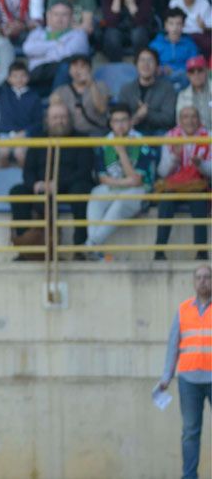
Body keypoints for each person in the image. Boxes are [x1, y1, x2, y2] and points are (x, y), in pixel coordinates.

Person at [9, 103, 95, 255]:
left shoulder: (82, 139)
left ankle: (80, 248)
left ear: (69, 119)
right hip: (43, 186)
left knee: (81, 190)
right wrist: (35, 184)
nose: (59, 121)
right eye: (55, 117)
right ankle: (25, 249)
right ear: (47, 120)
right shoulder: (38, 140)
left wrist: (57, 184)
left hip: (70, 185)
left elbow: (84, 171)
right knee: (18, 191)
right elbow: (28, 171)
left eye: (63, 117)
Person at [158, 265, 212, 479]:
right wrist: (166, 377)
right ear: (193, 282)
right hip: (189, 381)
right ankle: (189, 476)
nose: (203, 281)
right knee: (190, 432)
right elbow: (174, 345)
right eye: (198, 277)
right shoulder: (183, 309)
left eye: (207, 277)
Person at [85, 104, 156, 260]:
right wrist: (125, 183)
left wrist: (122, 152)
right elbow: (103, 177)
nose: (120, 124)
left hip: (140, 191)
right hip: (116, 186)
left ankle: (92, 244)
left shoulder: (141, 141)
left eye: (124, 120)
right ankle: (94, 246)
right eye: (116, 121)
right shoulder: (106, 142)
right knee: (96, 195)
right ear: (110, 123)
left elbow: (138, 180)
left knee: (121, 202)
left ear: (131, 122)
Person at [154, 106, 210, 261]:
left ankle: (201, 252)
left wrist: (201, 164)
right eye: (185, 117)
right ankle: (159, 251)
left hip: (198, 184)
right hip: (175, 186)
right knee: (166, 202)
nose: (190, 121)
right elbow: (162, 172)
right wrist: (174, 158)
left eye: (193, 117)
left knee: (200, 202)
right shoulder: (170, 136)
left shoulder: (209, 136)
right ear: (180, 120)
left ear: (199, 119)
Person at [22, 2, 90, 96]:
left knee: (65, 66)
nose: (59, 19)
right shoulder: (37, 33)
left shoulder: (78, 34)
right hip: (36, 75)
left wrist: (40, 53)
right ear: (49, 16)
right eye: (56, 14)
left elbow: (66, 55)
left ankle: (57, 102)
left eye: (64, 15)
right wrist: (55, 44)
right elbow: (27, 49)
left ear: (71, 18)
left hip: (62, 76)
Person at [120, 47, 179, 137]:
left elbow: (169, 119)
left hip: (158, 133)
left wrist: (148, 114)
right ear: (136, 65)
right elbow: (120, 117)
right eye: (142, 60)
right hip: (132, 133)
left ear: (157, 66)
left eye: (150, 61)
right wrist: (137, 117)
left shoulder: (167, 88)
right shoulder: (126, 89)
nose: (146, 64)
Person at [177, 55, 210, 129]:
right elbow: (180, 123)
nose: (196, 74)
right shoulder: (182, 96)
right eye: (192, 71)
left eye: (200, 70)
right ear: (188, 75)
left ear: (206, 72)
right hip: (194, 138)